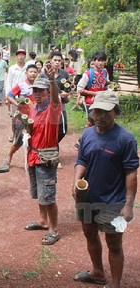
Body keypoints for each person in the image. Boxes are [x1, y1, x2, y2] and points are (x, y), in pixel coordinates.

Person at [72, 91, 138, 288]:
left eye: (104, 112)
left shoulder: (126, 139)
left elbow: (131, 173)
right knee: (90, 235)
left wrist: (129, 205)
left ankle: (115, 284)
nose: (99, 116)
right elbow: (82, 159)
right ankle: (98, 272)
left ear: (115, 112)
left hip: (114, 202)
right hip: (87, 198)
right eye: (96, 111)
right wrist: (76, 180)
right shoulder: (88, 134)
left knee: (115, 244)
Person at [24, 64, 62, 246]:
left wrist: (53, 80)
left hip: (46, 157)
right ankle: (42, 220)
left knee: (48, 195)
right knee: (39, 192)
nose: (37, 94)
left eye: (41, 91)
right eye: (35, 91)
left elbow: (56, 100)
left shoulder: (52, 109)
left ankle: (53, 229)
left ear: (48, 92)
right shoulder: (34, 108)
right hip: (34, 155)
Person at [5, 64, 38, 165]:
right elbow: (9, 96)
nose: (33, 74)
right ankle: (10, 154)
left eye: (35, 72)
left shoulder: (39, 86)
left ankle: (32, 160)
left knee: (34, 139)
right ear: (26, 73)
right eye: (31, 72)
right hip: (22, 118)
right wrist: (16, 104)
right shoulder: (21, 85)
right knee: (19, 140)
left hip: (35, 118)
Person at [5, 49, 27, 118]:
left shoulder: (28, 68)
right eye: (19, 55)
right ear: (16, 57)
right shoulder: (12, 68)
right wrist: (7, 96)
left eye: (22, 55)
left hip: (26, 95)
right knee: (16, 115)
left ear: (25, 56)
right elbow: (9, 82)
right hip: (15, 96)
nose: (21, 57)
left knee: (26, 114)